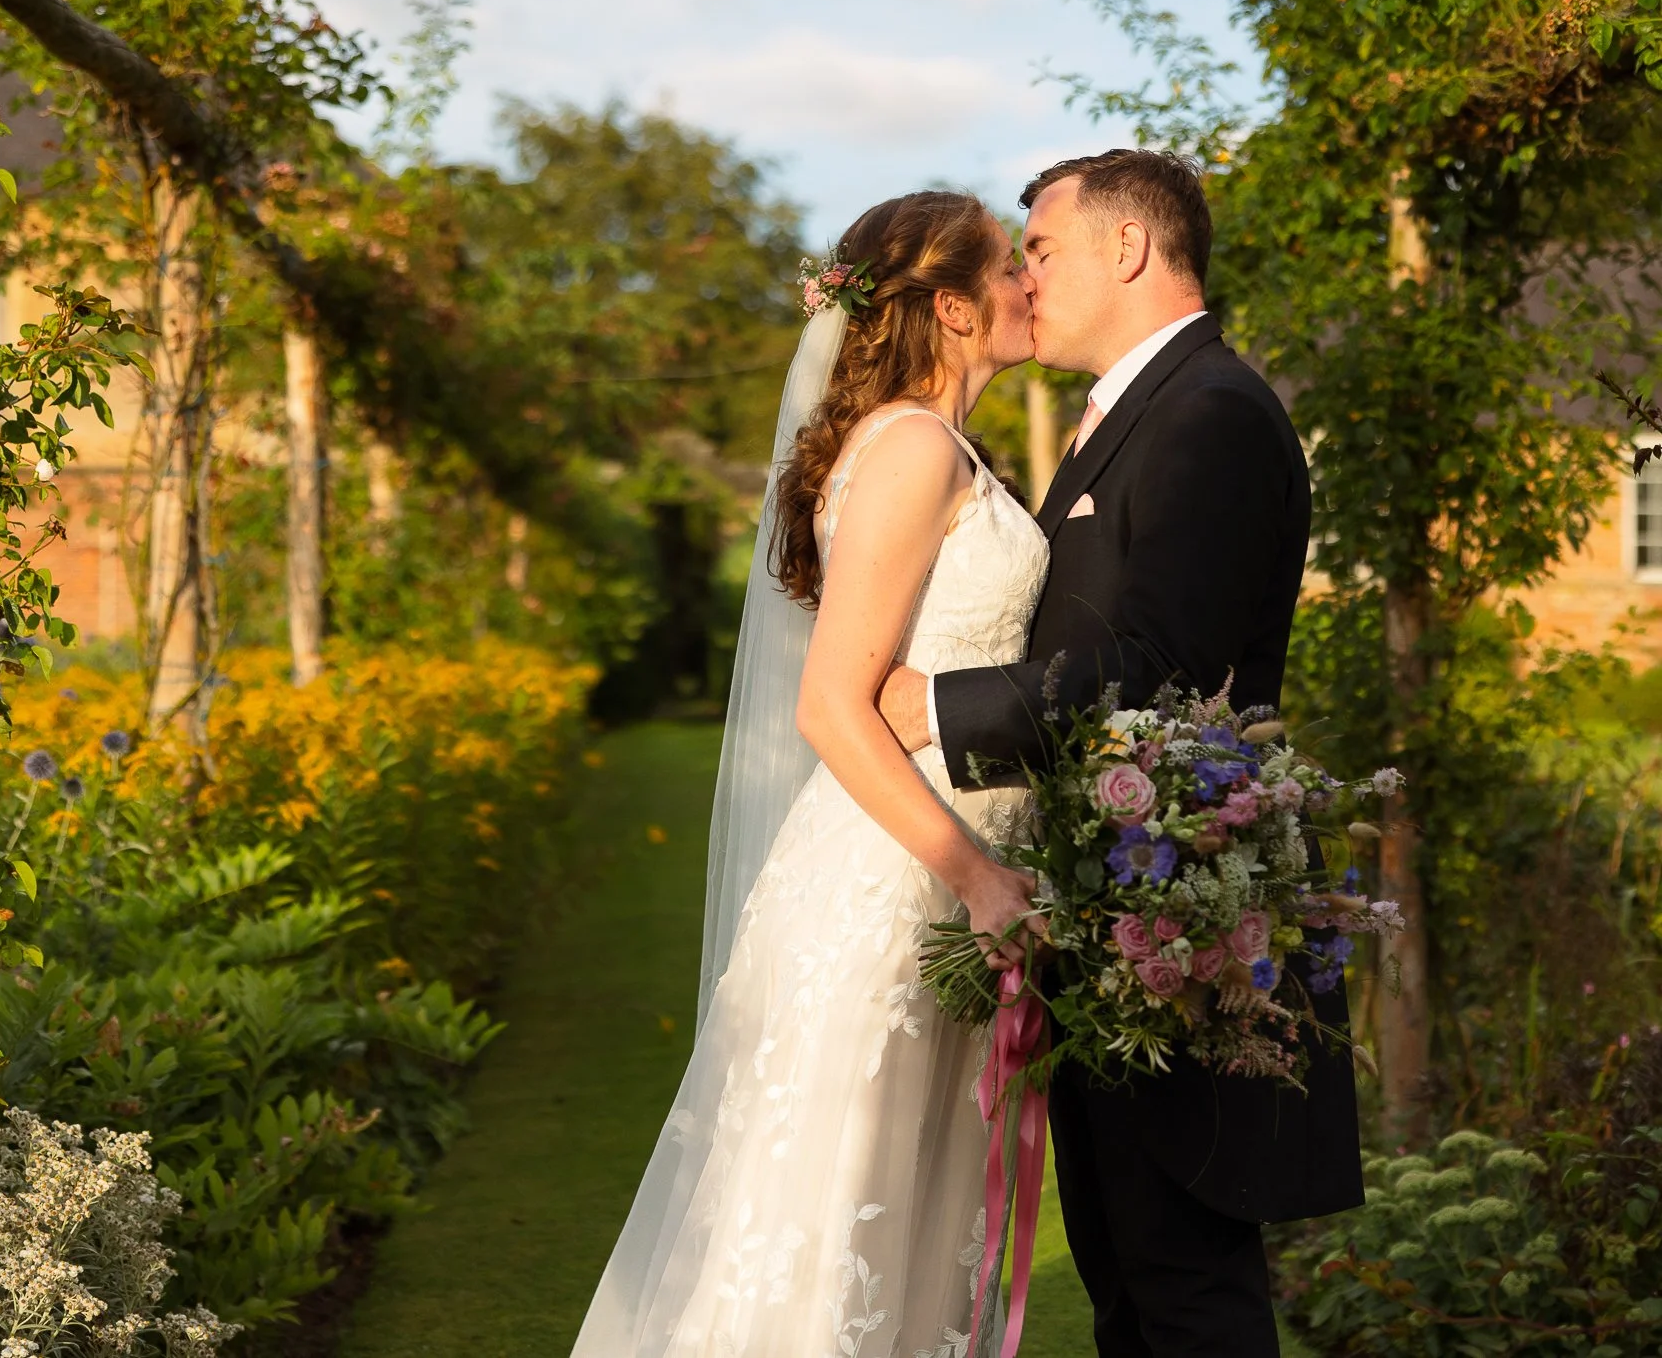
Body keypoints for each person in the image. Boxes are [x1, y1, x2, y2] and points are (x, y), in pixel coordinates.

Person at [878, 150, 1363, 1357]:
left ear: (1127, 250)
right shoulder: (1130, 416)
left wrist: (929, 706)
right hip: (1111, 916)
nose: (1023, 279)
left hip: (1183, 924)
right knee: (1129, 1284)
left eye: (1036, 250)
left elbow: (1153, 668)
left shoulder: (1211, 415)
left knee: (1183, 1287)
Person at [571, 190, 1048, 1358]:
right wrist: (979, 879)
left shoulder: (930, 444)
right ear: (949, 306)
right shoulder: (912, 447)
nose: (1031, 285)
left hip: (925, 873)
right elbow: (831, 706)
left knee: (891, 1228)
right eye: (1008, 270)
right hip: (897, 883)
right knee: (829, 1219)